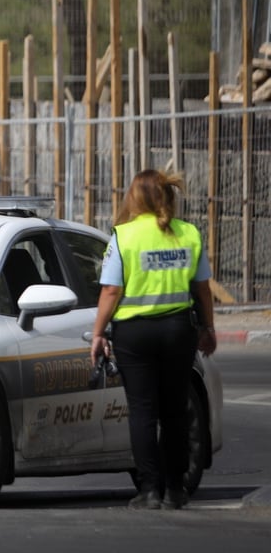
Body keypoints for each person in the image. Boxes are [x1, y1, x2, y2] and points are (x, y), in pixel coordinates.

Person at [90, 169, 217, 511]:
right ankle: (176, 489)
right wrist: (208, 327)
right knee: (175, 411)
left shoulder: (124, 236)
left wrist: (98, 332)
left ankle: (149, 491)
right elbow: (202, 289)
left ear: (135, 198)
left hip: (135, 334)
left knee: (143, 411)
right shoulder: (189, 233)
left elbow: (112, 290)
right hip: (179, 330)